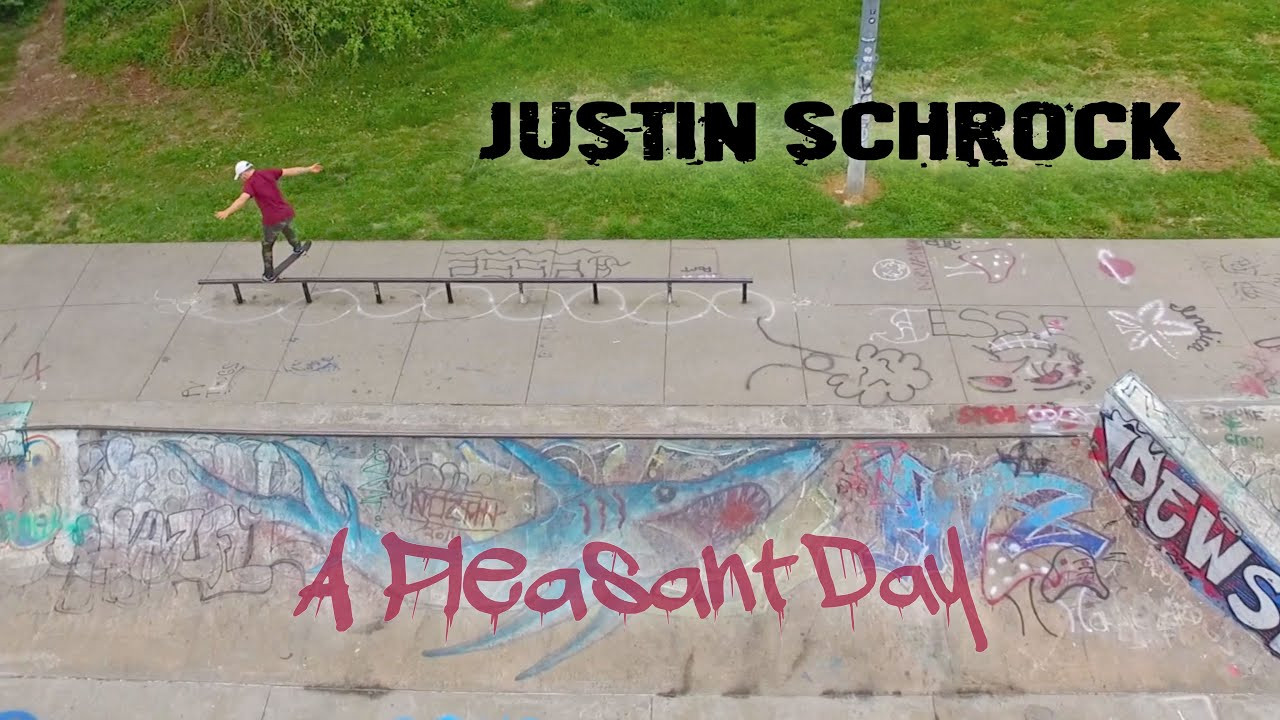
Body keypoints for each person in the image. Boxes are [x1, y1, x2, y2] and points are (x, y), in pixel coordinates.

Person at [215, 161, 323, 281]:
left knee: (267, 246)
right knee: (286, 227)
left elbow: (242, 200)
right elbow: (290, 170)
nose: (242, 179)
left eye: (240, 177)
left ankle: (269, 275)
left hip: (272, 220)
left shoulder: (250, 184)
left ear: (244, 174)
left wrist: (227, 211)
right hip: (287, 212)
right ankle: (298, 248)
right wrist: (308, 168)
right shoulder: (267, 173)